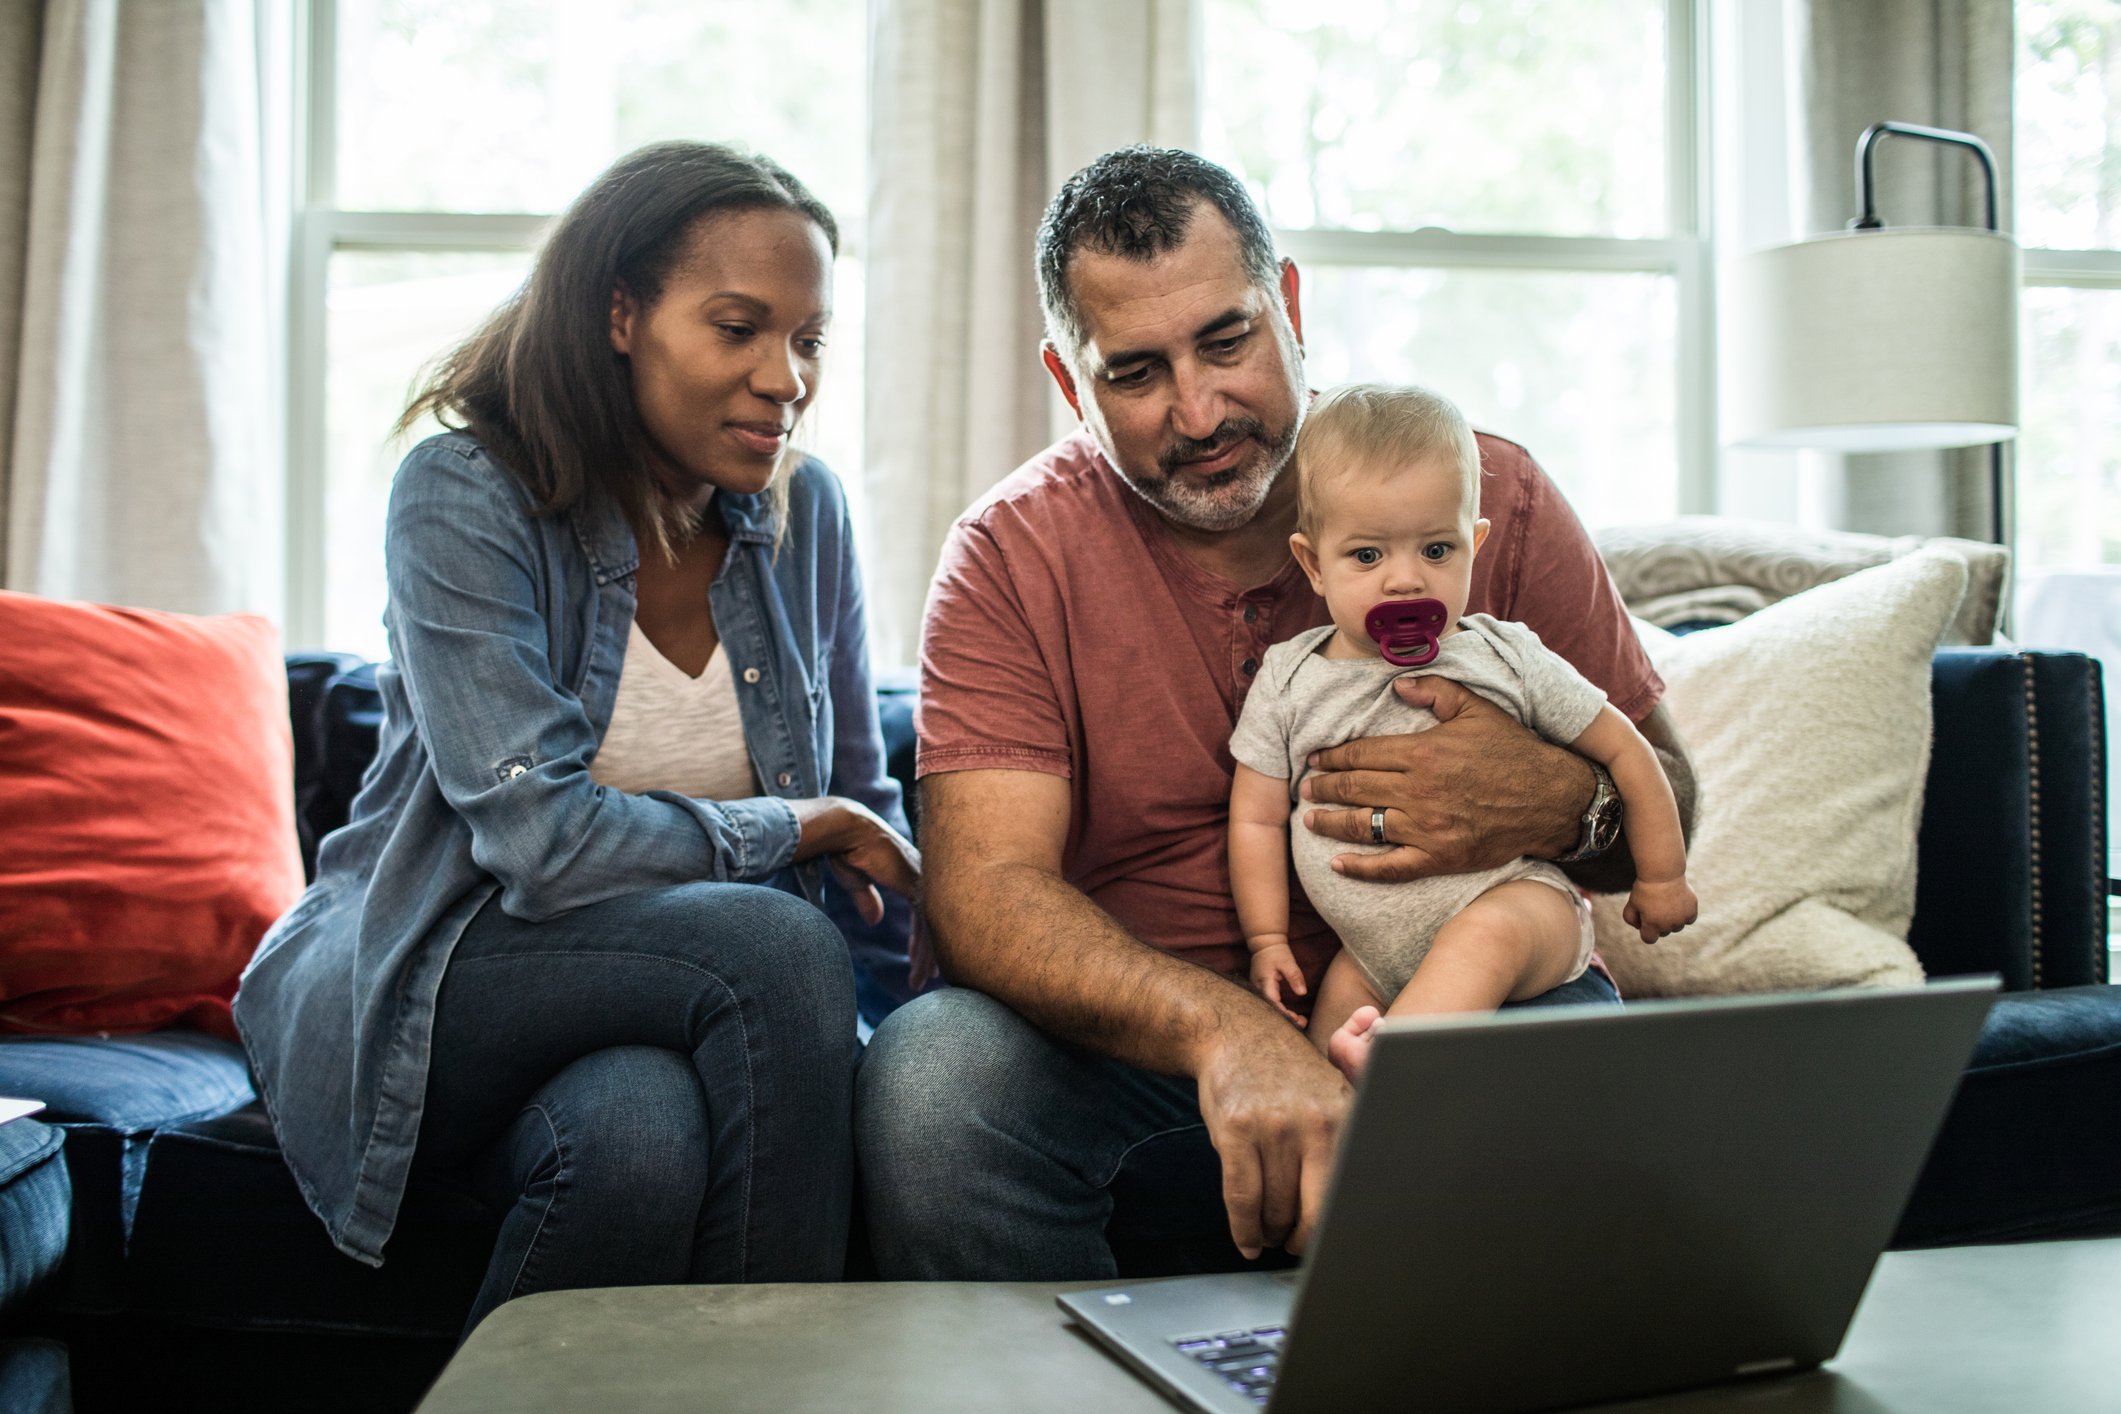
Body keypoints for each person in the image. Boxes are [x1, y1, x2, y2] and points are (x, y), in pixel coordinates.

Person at [857, 146, 1696, 1279]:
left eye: (1226, 341)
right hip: (1146, 1060)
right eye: (1136, 372)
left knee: (1597, 1086)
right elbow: (986, 894)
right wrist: (1227, 1031)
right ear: (1071, 383)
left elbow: (1668, 792)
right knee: (931, 1084)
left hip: (1468, 1003)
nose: (1199, 410)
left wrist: (1550, 798)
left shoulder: (1485, 497)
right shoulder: (1009, 556)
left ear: (1289, 305)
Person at [235, 141, 918, 1336]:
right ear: (621, 313)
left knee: (638, 1143)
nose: (785, 378)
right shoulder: (465, 492)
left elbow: (868, 810)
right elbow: (540, 846)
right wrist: (794, 829)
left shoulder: (809, 512)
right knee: (775, 944)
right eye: (738, 328)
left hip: (655, 1001)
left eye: (807, 340)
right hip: (450, 966)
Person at [1231, 383, 1697, 1081]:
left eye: (1436, 549)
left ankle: (1399, 1067)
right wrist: (1266, 937)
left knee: (1483, 936)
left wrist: (1661, 876)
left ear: (1474, 546)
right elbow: (1257, 819)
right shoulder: (1289, 679)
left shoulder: (1506, 655)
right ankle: (1337, 1172)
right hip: (1369, 953)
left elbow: (1625, 749)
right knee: (1317, 1080)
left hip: (1517, 909)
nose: (1404, 580)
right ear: (1311, 563)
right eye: (1366, 556)